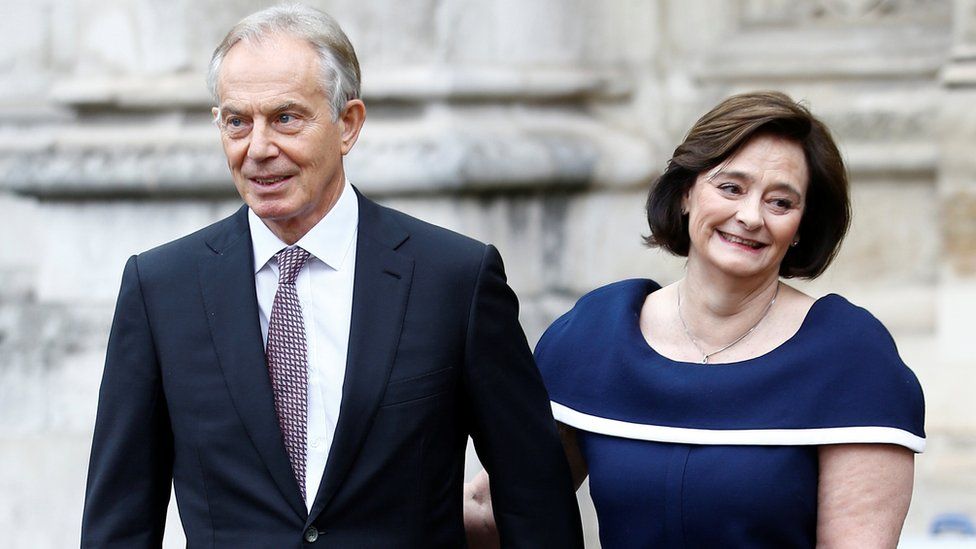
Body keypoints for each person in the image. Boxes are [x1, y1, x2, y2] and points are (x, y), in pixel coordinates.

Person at [81, 4, 583, 547]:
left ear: (348, 124)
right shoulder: (161, 290)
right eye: (237, 121)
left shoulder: (454, 280)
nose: (258, 149)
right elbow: (120, 520)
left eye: (286, 118)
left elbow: (536, 502)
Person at [464, 91, 925, 548]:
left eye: (780, 203)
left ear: (802, 227)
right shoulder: (596, 336)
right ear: (686, 192)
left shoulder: (850, 357)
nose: (750, 216)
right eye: (731, 188)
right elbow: (495, 513)